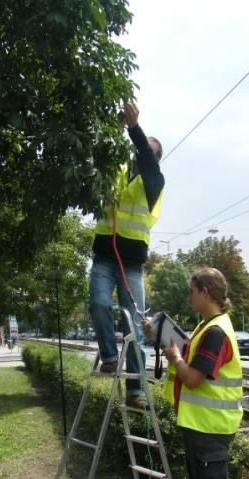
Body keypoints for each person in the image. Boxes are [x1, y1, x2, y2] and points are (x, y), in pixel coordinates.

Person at [147, 267, 243, 479]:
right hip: (199, 425)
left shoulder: (216, 331)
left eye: (191, 291)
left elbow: (192, 379)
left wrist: (174, 356)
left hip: (210, 430)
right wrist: (171, 353)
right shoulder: (205, 327)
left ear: (205, 291)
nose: (188, 297)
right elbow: (187, 372)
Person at [89, 101, 165, 410]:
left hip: (131, 264)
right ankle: (109, 357)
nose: (139, 150)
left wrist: (134, 128)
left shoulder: (155, 183)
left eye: (147, 148)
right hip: (105, 257)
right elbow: (98, 152)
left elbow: (145, 158)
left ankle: (136, 390)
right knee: (98, 303)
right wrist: (114, 125)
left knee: (134, 325)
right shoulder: (117, 172)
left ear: (155, 159)